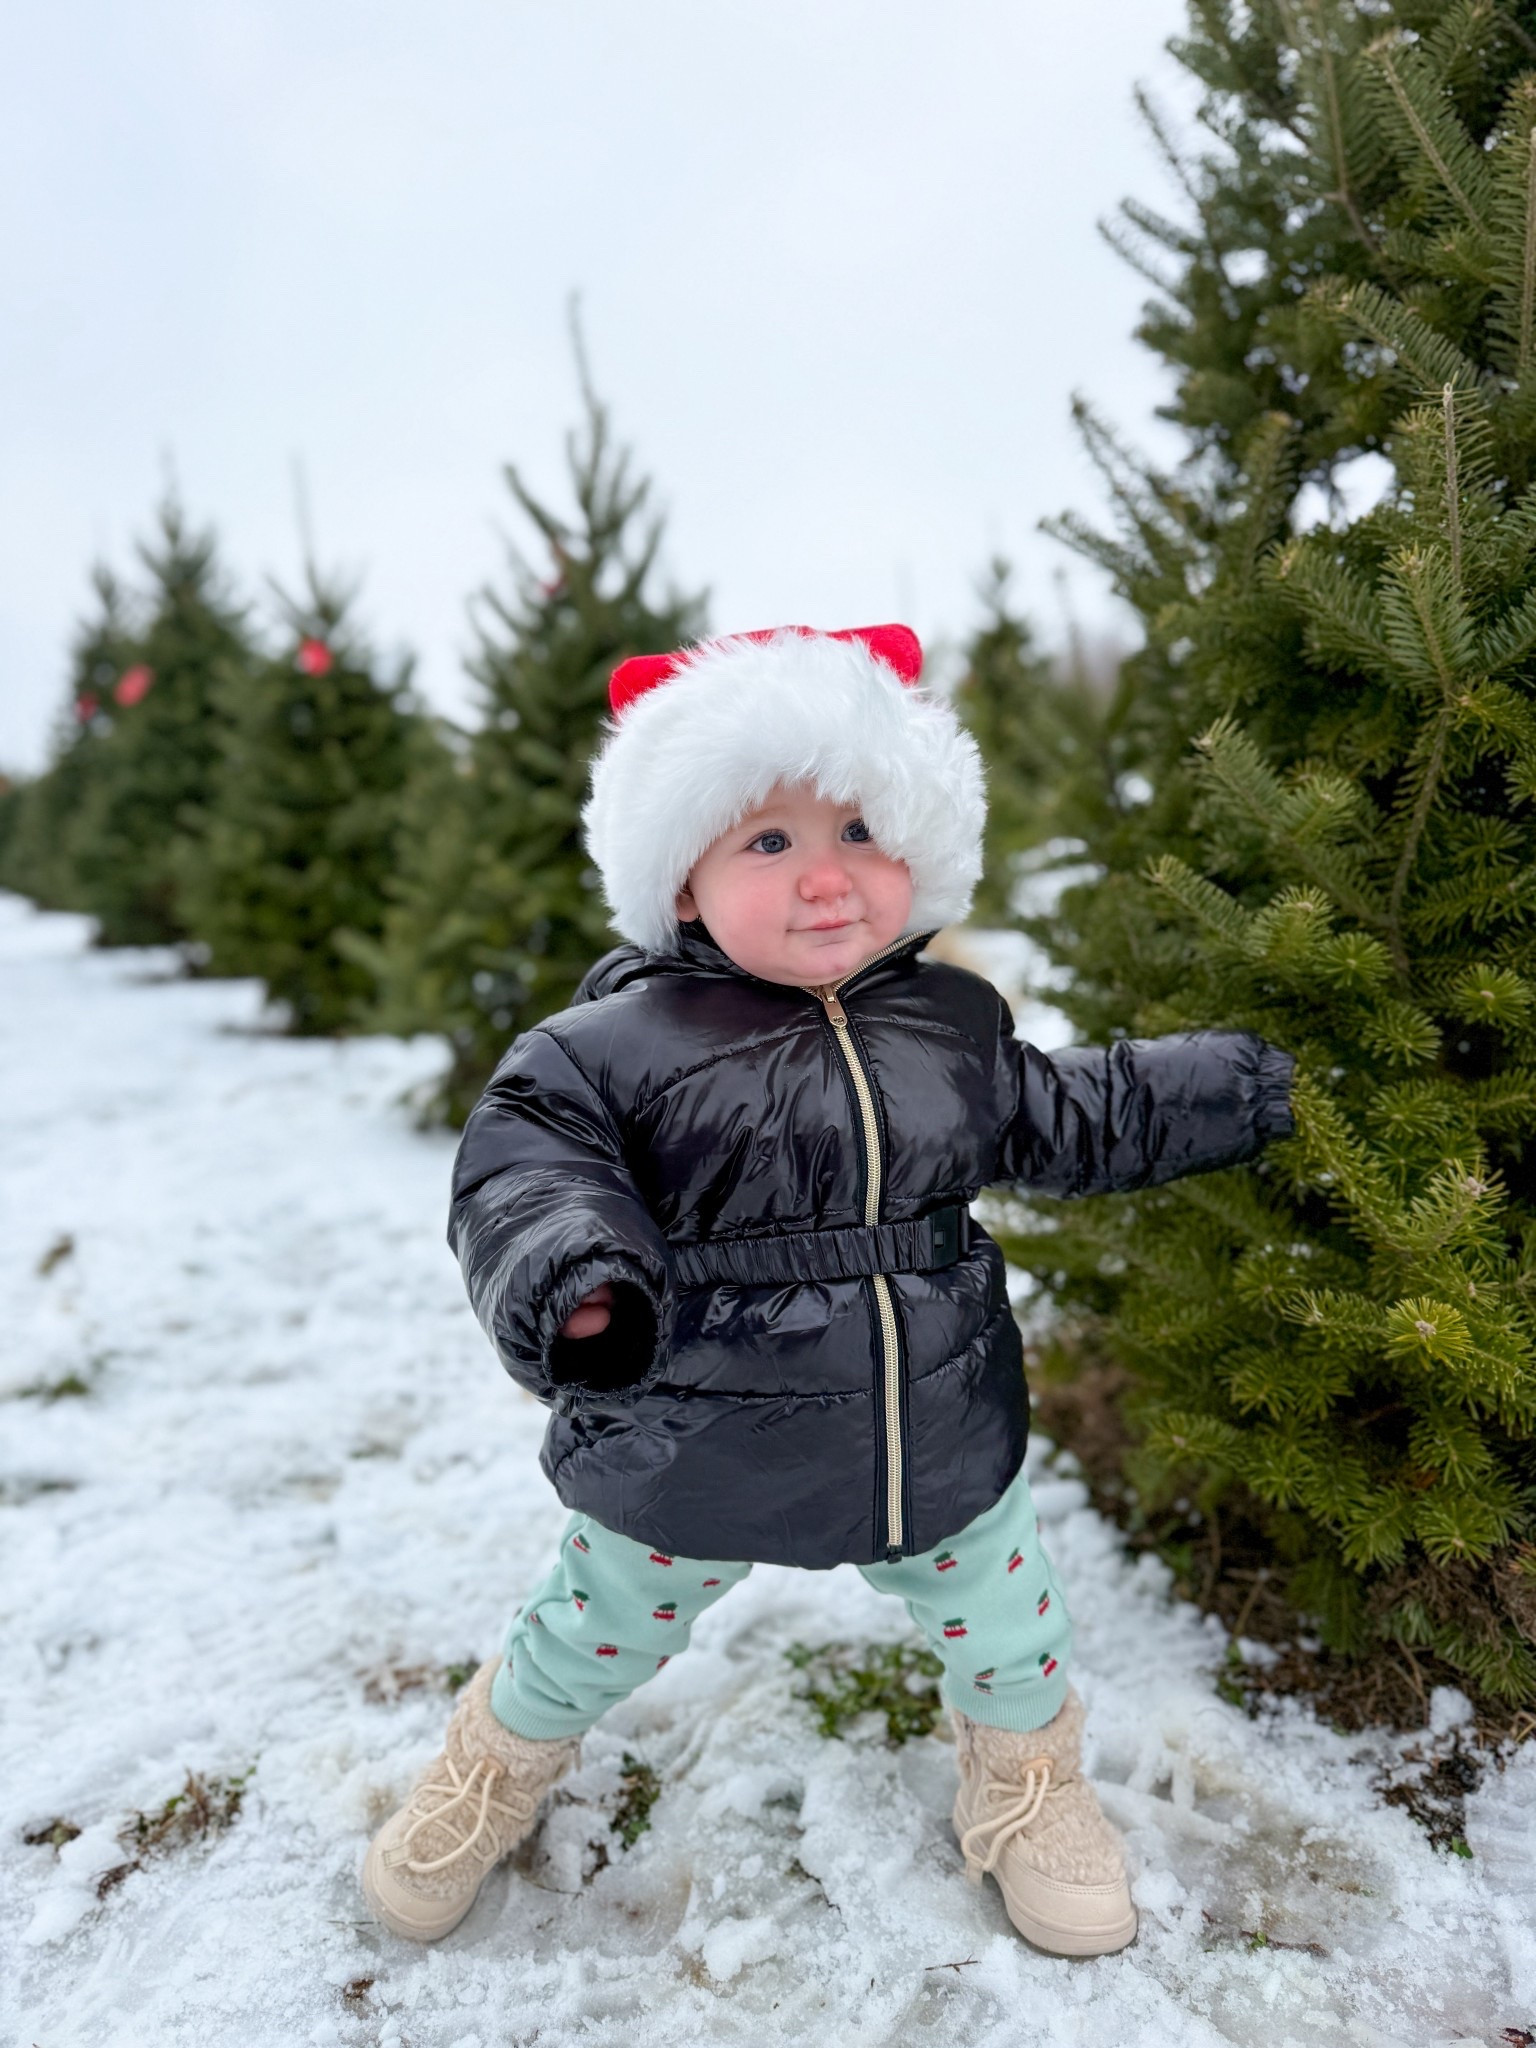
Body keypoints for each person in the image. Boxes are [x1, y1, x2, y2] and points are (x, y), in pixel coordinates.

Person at [361, 623, 1294, 1956]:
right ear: (681, 883)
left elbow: (1074, 1114)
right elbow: (523, 1169)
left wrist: (1235, 1088)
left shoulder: (950, 1023)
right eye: (768, 842)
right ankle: (494, 1761)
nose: (826, 878)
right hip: (694, 1438)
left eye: (859, 827)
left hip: (935, 1435)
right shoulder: (607, 1050)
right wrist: (578, 1276)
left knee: (1011, 1624)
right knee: (595, 1623)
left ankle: (1026, 1786)